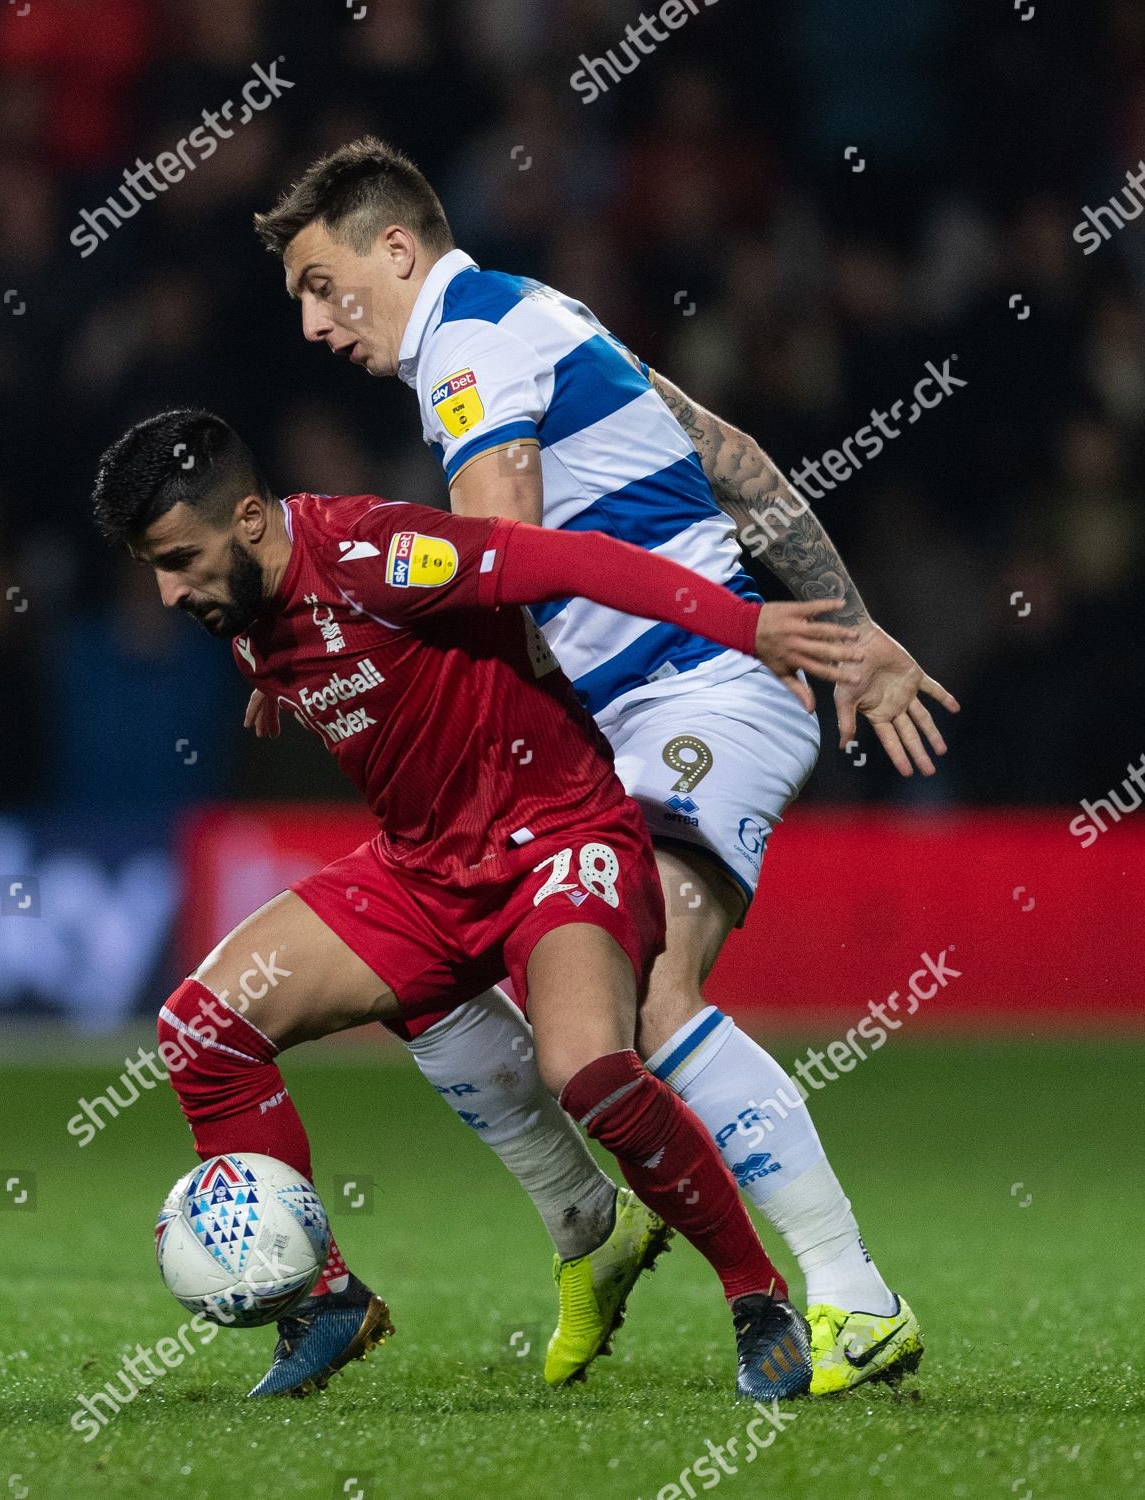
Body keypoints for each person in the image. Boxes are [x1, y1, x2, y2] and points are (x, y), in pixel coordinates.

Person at [251, 138, 956, 1394]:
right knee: (480, 958)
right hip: (638, 712)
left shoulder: (467, 355)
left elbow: (498, 564)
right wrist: (852, 628)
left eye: (321, 284)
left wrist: (334, 649)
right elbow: (731, 453)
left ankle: (853, 1297)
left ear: (395, 250)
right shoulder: (532, 312)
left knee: (647, 992)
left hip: (704, 690)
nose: (312, 323)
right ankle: (595, 1215)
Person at [91, 407, 864, 1400]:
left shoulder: (377, 552)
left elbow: (575, 562)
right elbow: (327, 656)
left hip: (559, 838)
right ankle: (323, 1300)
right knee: (200, 1030)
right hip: (425, 873)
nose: (166, 590)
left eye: (179, 559)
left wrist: (745, 621)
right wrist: (276, 679)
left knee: (587, 1070)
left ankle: (757, 1299)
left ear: (248, 520)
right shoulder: (245, 611)